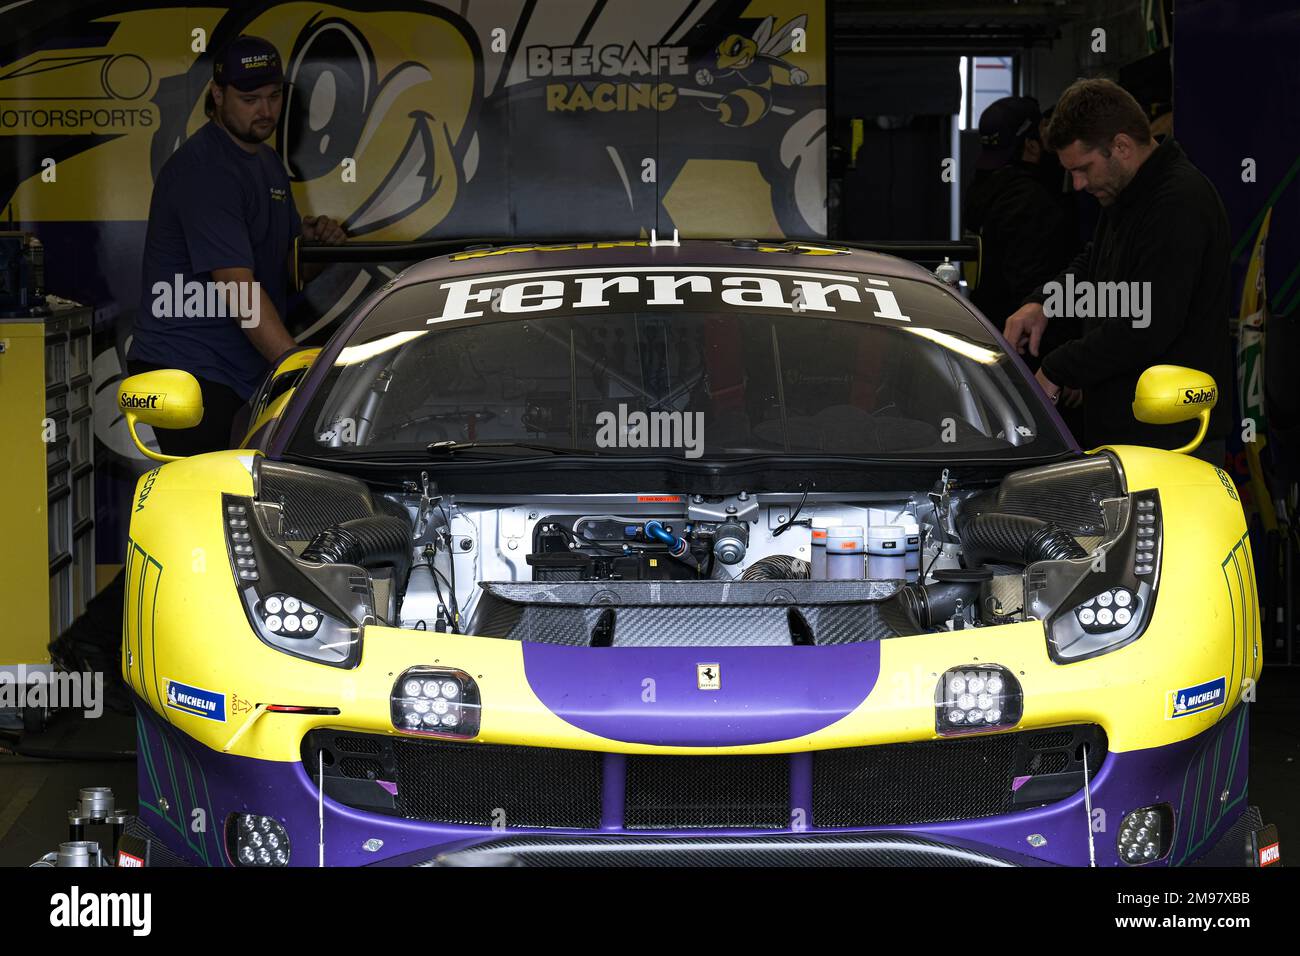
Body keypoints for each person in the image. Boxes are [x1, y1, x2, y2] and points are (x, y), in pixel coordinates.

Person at [127, 35, 347, 456]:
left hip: (239, 369)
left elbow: (285, 273)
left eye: (274, 96)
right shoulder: (206, 170)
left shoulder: (266, 163)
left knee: (251, 497)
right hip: (188, 370)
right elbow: (237, 287)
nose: (265, 111)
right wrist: (296, 365)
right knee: (217, 503)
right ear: (217, 94)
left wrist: (319, 247)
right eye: (249, 99)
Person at [1002, 78, 1231, 463]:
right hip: (1129, 436)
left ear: (1121, 146)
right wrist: (1045, 303)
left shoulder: (1178, 204)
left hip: (1172, 442)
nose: (1077, 184)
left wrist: (1057, 370)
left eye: (1083, 169)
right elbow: (1095, 264)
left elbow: (1145, 327)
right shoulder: (1128, 195)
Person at [964, 96, 1078, 342]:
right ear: (1031, 145)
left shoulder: (982, 190)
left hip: (989, 325)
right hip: (1025, 337)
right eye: (1041, 132)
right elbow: (1035, 282)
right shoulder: (1029, 200)